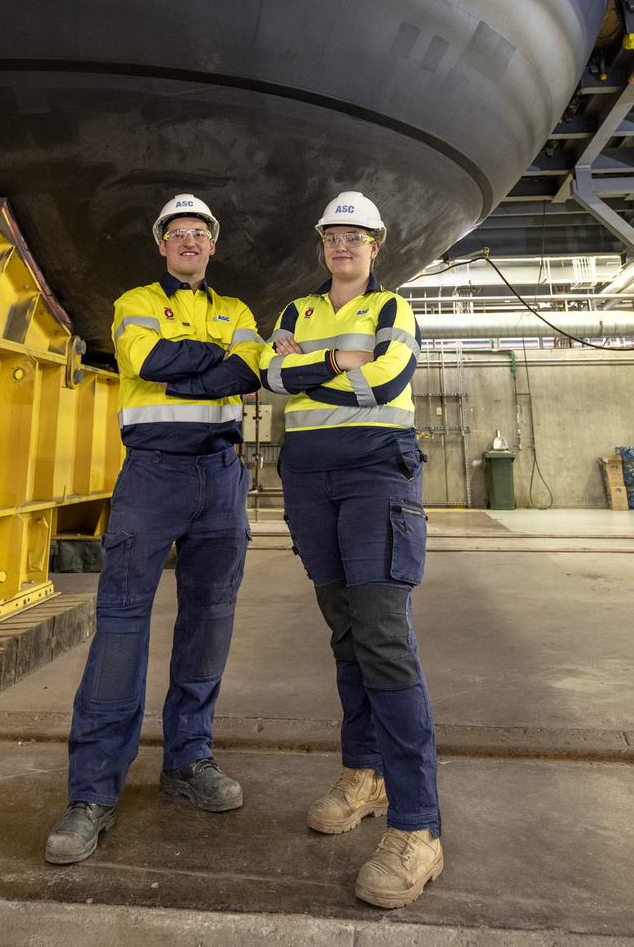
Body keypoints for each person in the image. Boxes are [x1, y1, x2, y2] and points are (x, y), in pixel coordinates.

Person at [46, 193, 264, 865]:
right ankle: (92, 794)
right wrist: (210, 369)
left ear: (212, 246)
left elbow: (249, 368)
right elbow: (146, 361)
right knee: (120, 623)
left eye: (201, 233)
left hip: (222, 479)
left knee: (210, 618)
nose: (191, 242)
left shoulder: (238, 311)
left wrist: (193, 368)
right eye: (179, 233)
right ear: (161, 245)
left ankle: (187, 760)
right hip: (153, 475)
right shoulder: (135, 302)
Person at [259, 191, 442, 910]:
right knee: (345, 638)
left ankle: (419, 825)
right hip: (308, 479)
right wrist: (335, 363)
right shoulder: (294, 315)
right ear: (322, 245)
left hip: (375, 476)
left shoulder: (393, 310)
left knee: (383, 638)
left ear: (376, 246)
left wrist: (312, 368)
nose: (343, 246)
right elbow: (269, 379)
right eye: (333, 235)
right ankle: (364, 773)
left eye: (355, 236)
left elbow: (387, 380)